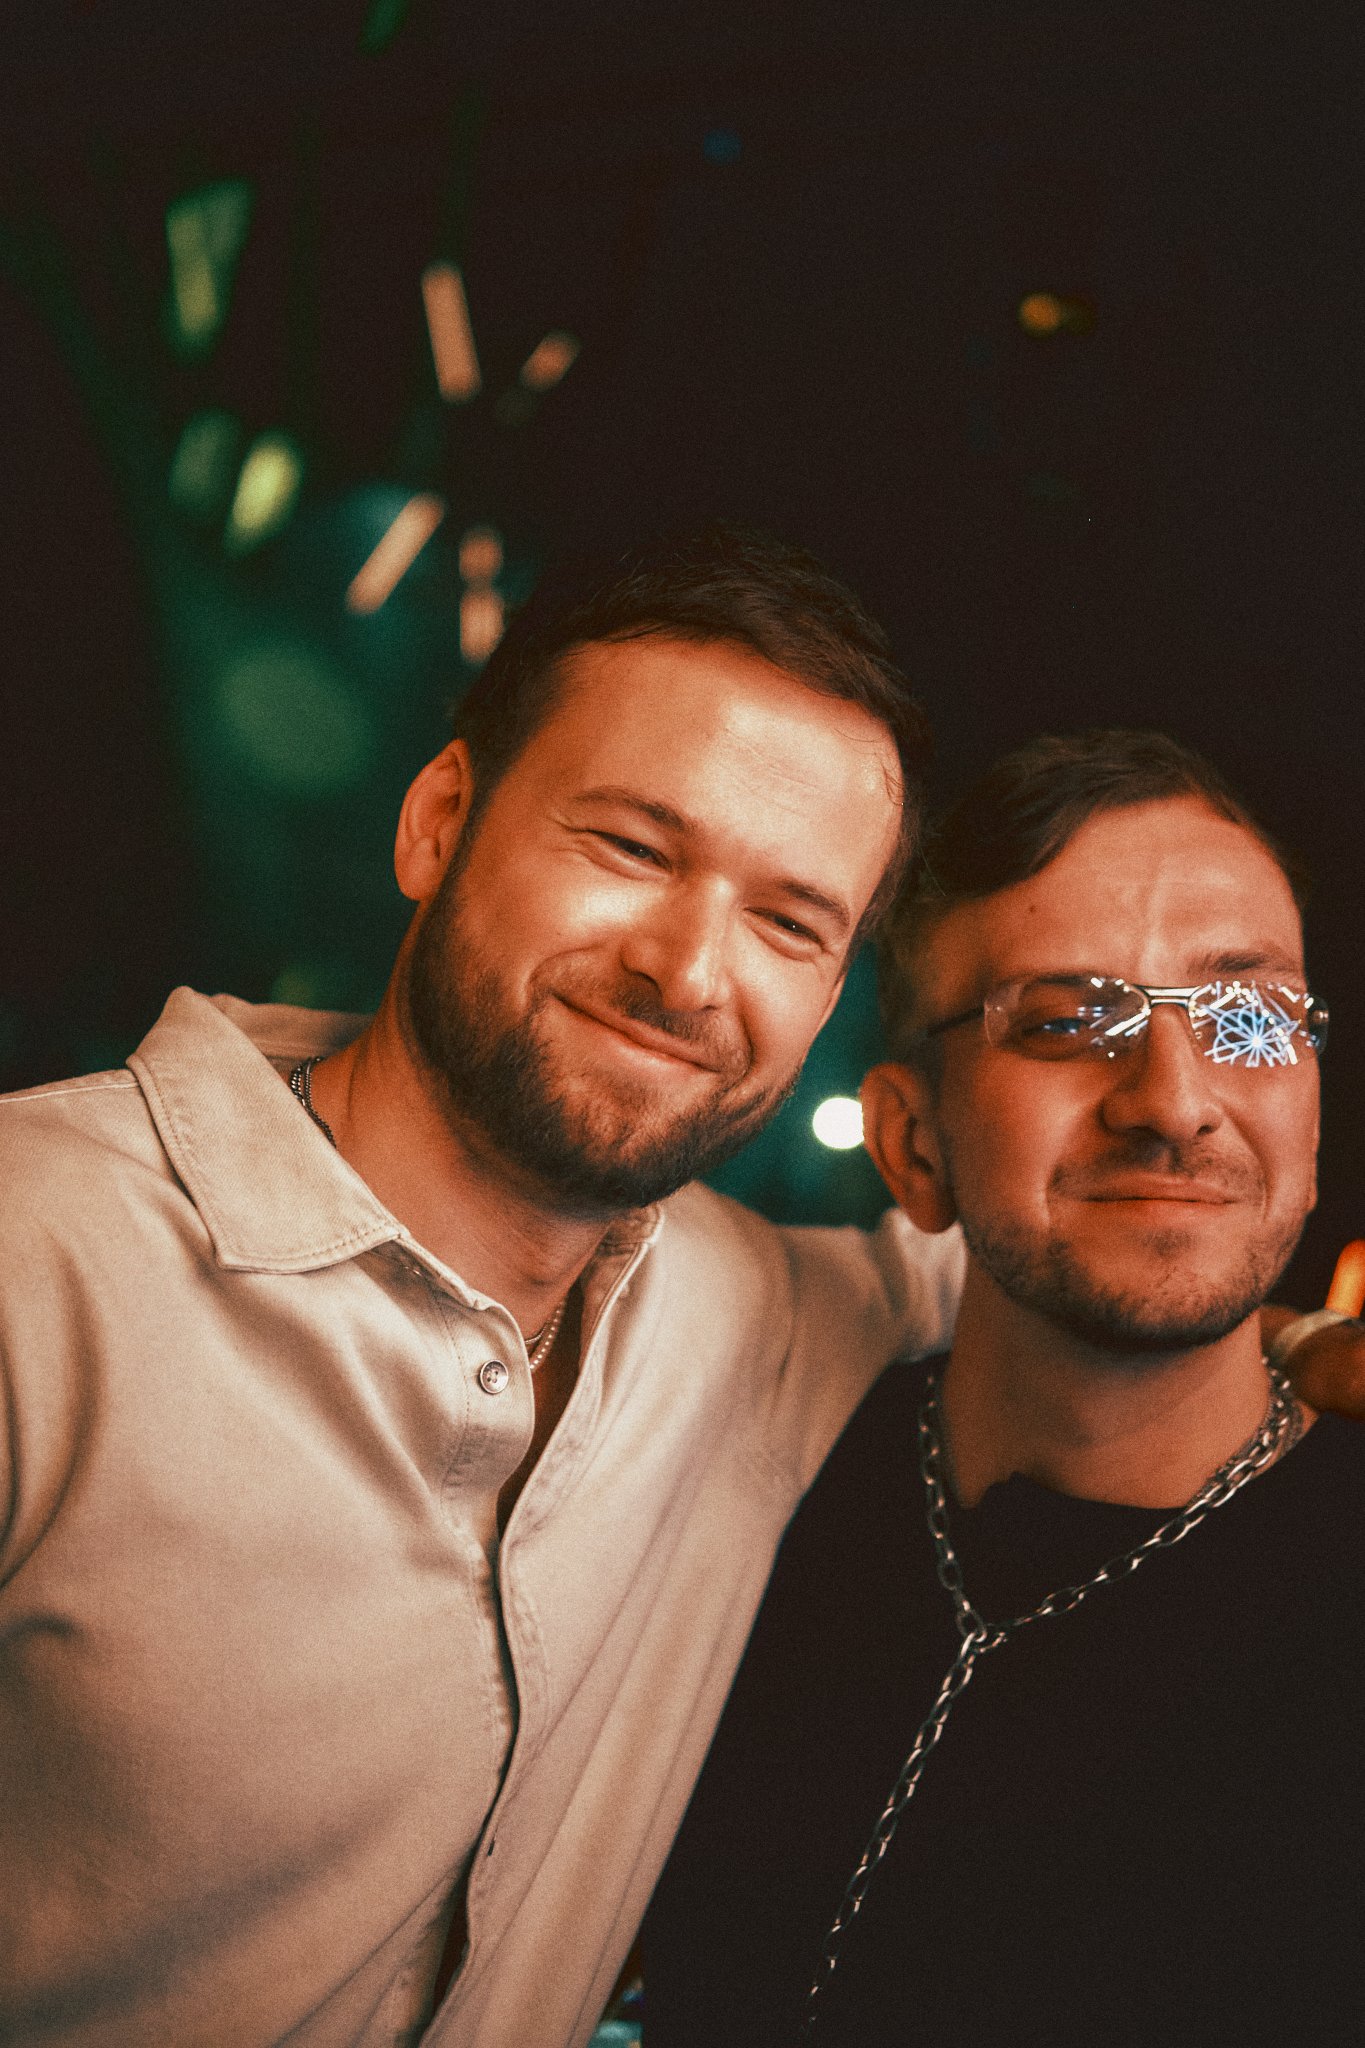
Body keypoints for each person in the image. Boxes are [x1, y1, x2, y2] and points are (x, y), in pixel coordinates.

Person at [0, 527, 970, 2048]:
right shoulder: (33, 1254)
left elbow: (1064, 1269)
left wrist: (1312, 1345)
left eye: (789, 921)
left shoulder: (755, 1314)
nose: (689, 972)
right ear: (438, 822)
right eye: (632, 848)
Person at [644, 729, 1365, 2048]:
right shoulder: (753, 1466)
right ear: (912, 1145)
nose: (1174, 1102)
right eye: (1065, 1019)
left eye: (1248, 1017)